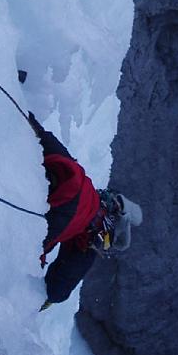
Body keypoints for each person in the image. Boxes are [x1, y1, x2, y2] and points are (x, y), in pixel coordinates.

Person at [28, 112, 143, 311]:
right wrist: (47, 299)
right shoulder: (58, 223)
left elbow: (41, 134)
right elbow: (54, 281)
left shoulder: (73, 171)